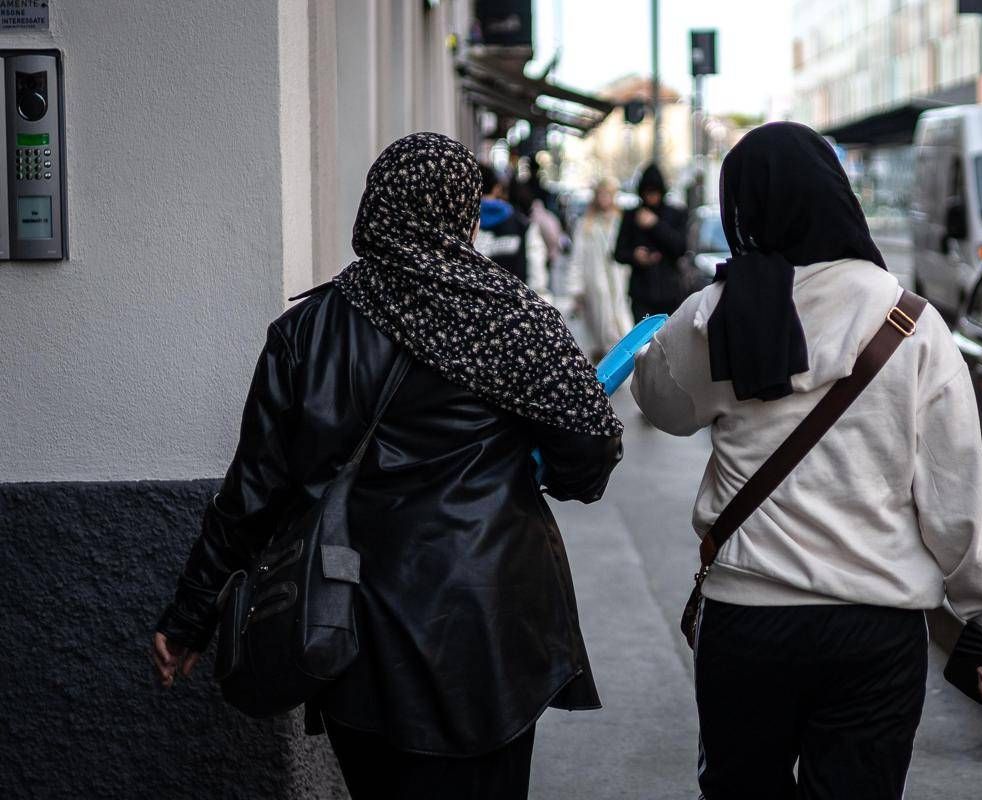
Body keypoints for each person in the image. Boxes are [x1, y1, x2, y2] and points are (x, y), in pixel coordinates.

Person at [152, 132, 623, 800]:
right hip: (494, 626)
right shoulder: (512, 316)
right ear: (463, 214)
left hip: (355, 629)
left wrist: (189, 618)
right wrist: (540, 468)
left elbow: (253, 493)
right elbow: (591, 450)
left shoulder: (306, 332)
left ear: (376, 207)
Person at [630, 122, 982, 800]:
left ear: (740, 209)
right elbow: (957, 491)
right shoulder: (913, 323)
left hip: (748, 619)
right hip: (877, 628)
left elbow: (660, 404)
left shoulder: (715, 315)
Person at [567, 178, 633, 360]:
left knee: (621, 326)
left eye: (608, 194)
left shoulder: (621, 221)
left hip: (619, 283)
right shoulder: (585, 224)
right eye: (601, 194)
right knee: (599, 332)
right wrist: (576, 289)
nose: (604, 199)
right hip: (595, 285)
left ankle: (619, 366)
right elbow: (577, 258)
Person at [614, 163, 688, 321]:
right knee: (644, 343)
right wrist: (635, 255)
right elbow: (618, 252)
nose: (652, 197)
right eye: (648, 192)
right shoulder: (632, 216)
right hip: (642, 294)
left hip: (669, 292)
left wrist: (655, 225)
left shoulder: (675, 214)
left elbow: (680, 248)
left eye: (655, 192)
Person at [475, 163, 550, 299]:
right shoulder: (522, 224)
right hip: (514, 308)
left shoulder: (461, 226)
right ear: (497, 189)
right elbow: (537, 273)